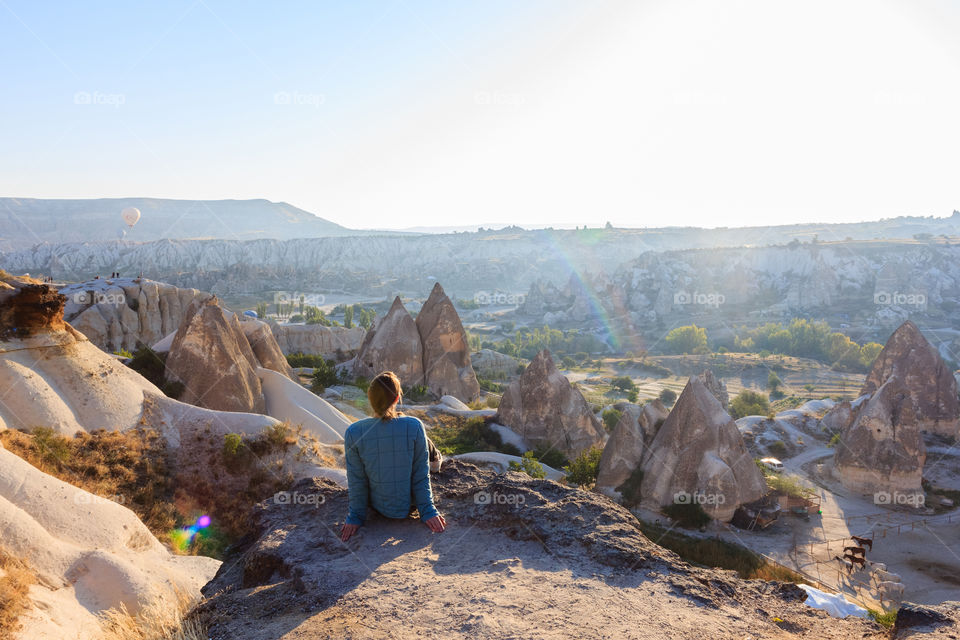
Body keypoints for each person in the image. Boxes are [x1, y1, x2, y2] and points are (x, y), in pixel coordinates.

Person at [340, 371, 446, 542]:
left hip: (376, 507)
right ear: (397, 399)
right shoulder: (414, 425)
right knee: (419, 438)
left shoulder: (353, 432)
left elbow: (357, 480)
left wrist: (355, 517)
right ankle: (437, 461)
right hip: (410, 506)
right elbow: (420, 476)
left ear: (370, 399)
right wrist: (428, 511)